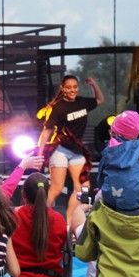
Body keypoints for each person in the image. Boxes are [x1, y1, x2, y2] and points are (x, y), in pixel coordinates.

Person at [37, 75, 104, 221]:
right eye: (69, 87)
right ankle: (41, 220)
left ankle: (68, 222)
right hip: (60, 149)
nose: (72, 90)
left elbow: (100, 100)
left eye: (75, 87)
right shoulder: (57, 107)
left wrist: (93, 84)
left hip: (76, 150)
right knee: (57, 188)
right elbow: (47, 131)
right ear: (63, 88)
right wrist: (39, 153)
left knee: (83, 188)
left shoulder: (82, 102)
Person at [96, 110, 139, 212]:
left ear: (114, 131)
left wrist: (101, 189)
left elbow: (100, 175)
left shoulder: (109, 149)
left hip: (111, 196)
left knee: (96, 203)